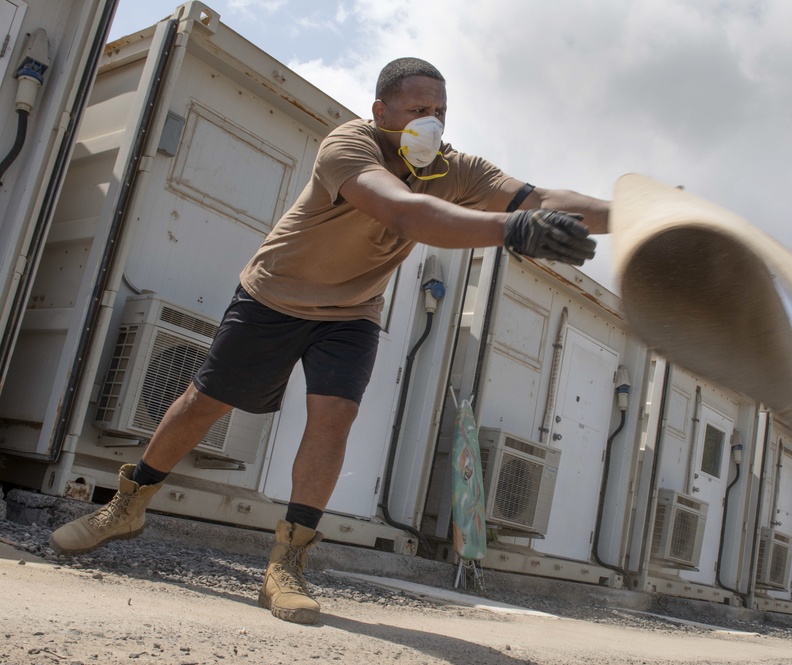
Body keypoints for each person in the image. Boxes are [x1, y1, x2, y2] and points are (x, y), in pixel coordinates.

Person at [49, 57, 608, 625]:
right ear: (381, 111)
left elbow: (542, 198)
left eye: (440, 111)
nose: (432, 123)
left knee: (333, 417)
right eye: (418, 110)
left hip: (352, 312)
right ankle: (127, 505)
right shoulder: (349, 145)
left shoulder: (452, 168)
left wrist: (642, 218)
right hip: (274, 295)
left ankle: (286, 564)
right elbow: (406, 211)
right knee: (204, 404)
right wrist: (509, 231)